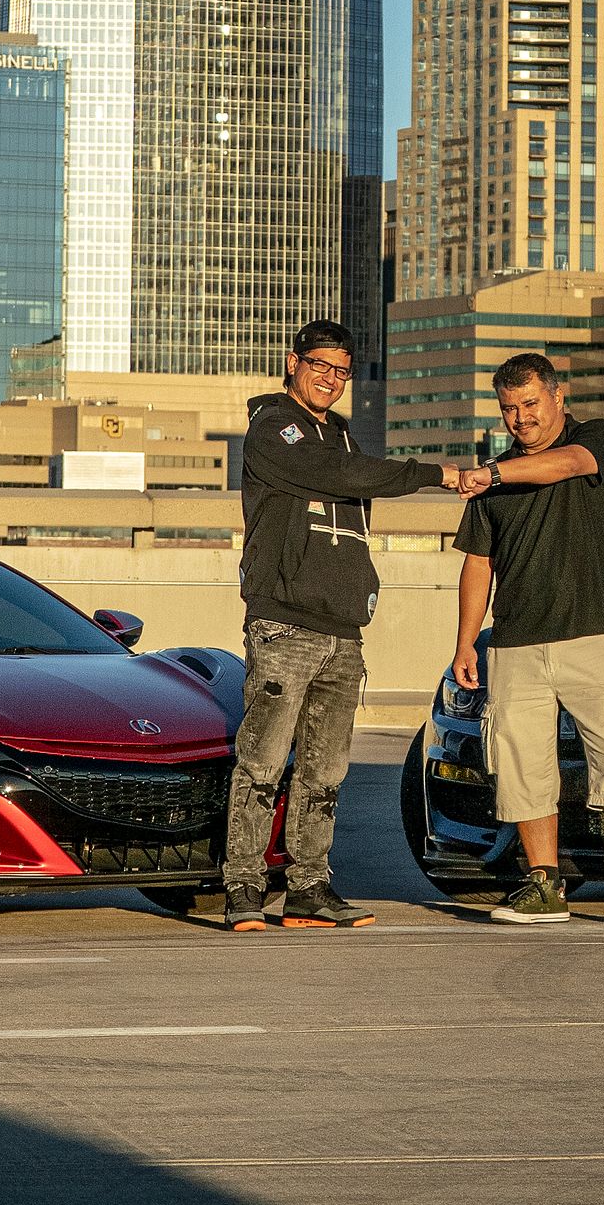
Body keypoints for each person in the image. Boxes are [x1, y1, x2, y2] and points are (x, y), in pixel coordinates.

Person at [223, 320, 461, 931]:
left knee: (326, 771)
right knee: (262, 760)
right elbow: (340, 478)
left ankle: (310, 887)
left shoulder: (343, 436)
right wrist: (433, 474)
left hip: (342, 630)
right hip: (284, 624)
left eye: (341, 372)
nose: (330, 379)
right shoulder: (273, 427)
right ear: (292, 362)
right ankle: (243, 888)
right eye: (319, 366)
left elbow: (351, 479)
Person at [451, 352, 604, 927]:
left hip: (590, 634)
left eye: (529, 404)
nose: (520, 419)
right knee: (523, 767)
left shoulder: (596, 439)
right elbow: (478, 564)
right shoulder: (494, 476)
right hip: (515, 641)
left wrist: (493, 474)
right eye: (508, 409)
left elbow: (565, 464)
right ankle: (544, 884)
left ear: (557, 397)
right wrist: (465, 643)